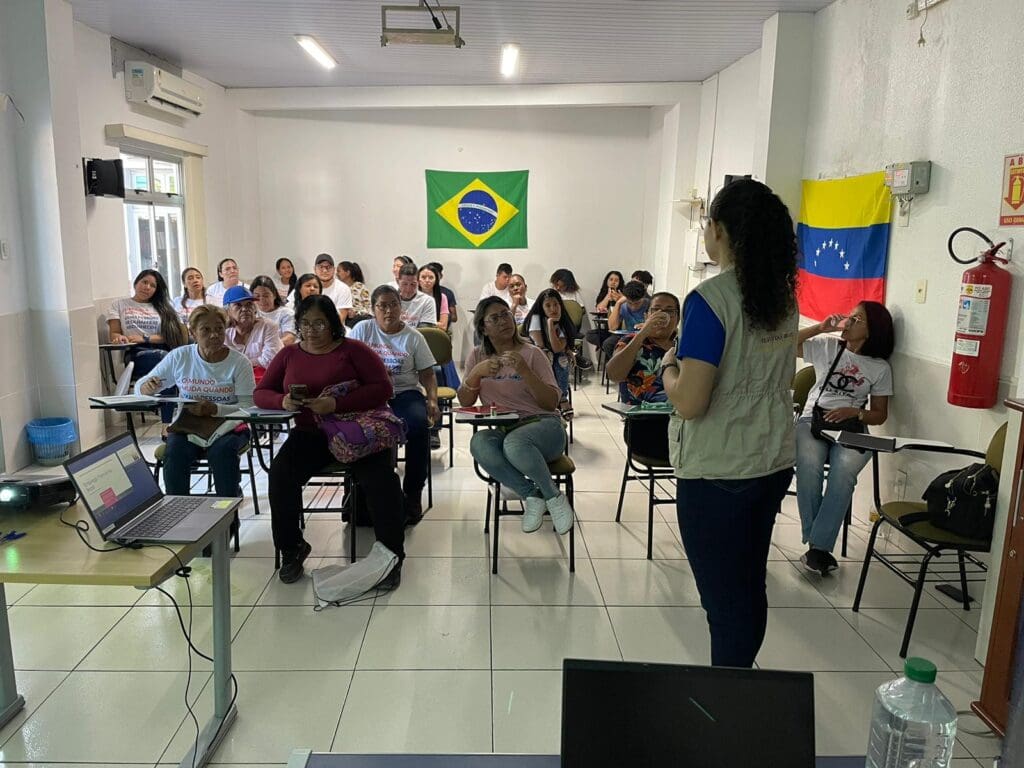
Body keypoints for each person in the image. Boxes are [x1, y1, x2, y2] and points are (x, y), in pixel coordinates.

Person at [660, 178, 799, 668]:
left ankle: (729, 694)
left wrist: (668, 368)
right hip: (772, 459)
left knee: (722, 599)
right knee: (748, 583)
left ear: (716, 229)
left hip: (720, 470)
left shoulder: (710, 300)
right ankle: (738, 680)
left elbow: (691, 403)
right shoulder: (782, 296)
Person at [254, 295, 406, 585]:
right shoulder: (289, 355)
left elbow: (383, 389)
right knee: (281, 475)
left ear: (333, 324)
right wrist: (281, 400)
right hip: (311, 433)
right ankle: (292, 548)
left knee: (380, 481)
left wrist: (336, 405)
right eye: (305, 323)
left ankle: (391, 556)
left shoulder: (354, 350)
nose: (311, 330)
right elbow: (261, 392)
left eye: (319, 323)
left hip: (357, 432)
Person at [459, 297, 575, 535]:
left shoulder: (533, 354)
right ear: (483, 327)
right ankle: (532, 495)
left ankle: (553, 497)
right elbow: (465, 402)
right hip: (504, 429)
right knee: (479, 442)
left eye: (506, 314)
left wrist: (524, 370)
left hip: (545, 428)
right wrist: (475, 376)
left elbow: (551, 402)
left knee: (515, 443)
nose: (504, 321)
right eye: (495, 318)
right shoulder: (478, 356)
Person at [796, 302, 894, 575]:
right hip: (812, 420)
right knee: (809, 465)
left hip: (851, 425)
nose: (849, 322)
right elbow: (787, 345)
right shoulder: (828, 346)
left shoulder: (879, 367)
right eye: (850, 316)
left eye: (857, 319)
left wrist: (855, 411)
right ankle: (819, 546)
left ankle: (817, 546)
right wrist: (819, 327)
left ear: (871, 331)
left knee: (844, 473)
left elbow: (879, 415)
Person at [135, 305, 255, 498]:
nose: (214, 335)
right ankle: (178, 509)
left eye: (219, 329)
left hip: (229, 426)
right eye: (206, 330)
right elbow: (142, 386)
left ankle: (229, 516)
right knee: (174, 453)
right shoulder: (180, 357)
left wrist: (216, 409)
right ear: (193, 332)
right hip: (188, 426)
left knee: (222, 453)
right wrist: (146, 387)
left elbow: (249, 407)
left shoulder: (239, 363)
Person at [349, 285, 439, 523]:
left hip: (404, 393)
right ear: (373, 309)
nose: (389, 311)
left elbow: (428, 374)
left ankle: (412, 492)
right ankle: (362, 493)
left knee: (419, 427)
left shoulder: (413, 337)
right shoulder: (361, 330)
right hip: (369, 395)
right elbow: (346, 364)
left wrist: (432, 400)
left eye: (394, 305)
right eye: (382, 306)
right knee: (360, 429)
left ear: (401, 308)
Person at [604, 292, 680, 461]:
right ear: (647, 315)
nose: (663, 315)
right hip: (644, 426)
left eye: (670, 311)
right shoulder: (630, 341)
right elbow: (614, 374)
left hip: (682, 423)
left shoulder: (683, 346)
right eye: (656, 310)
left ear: (678, 318)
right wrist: (643, 333)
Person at [107, 269, 190, 377]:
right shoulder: (118, 305)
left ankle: (173, 392)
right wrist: (119, 338)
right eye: (144, 282)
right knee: (165, 359)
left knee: (174, 358)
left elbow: (173, 335)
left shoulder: (164, 308)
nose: (147, 287)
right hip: (136, 353)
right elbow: (114, 333)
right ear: (136, 283)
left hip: (163, 348)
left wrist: (145, 338)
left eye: (153, 286)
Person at [522, 289, 575, 410]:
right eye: (548, 305)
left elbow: (557, 348)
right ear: (542, 308)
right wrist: (550, 324)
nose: (553, 309)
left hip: (554, 356)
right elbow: (540, 345)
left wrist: (551, 324)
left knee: (560, 357)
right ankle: (555, 397)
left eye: (556, 304)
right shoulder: (535, 319)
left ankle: (560, 396)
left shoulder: (562, 322)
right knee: (550, 355)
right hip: (535, 355)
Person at [222, 286, 283, 382]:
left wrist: (236, 364)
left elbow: (270, 360)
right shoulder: (223, 332)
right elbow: (220, 362)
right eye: (238, 305)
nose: (245, 309)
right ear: (228, 310)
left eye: (249, 304)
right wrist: (256, 361)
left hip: (265, 381)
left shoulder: (268, 327)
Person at [550, 268, 592, 370]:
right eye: (557, 285)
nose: (558, 288)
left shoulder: (575, 294)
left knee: (570, 327)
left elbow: (581, 310)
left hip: (572, 326)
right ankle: (575, 354)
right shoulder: (551, 293)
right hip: (556, 326)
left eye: (562, 285)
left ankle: (573, 353)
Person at [602, 280, 652, 363]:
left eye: (637, 303)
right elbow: (612, 327)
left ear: (643, 297)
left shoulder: (650, 305)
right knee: (608, 344)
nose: (633, 307)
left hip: (645, 337)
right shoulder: (623, 305)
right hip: (627, 337)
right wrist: (618, 303)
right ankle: (619, 367)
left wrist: (646, 325)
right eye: (629, 303)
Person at [585, 270, 625, 352]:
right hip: (606, 329)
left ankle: (605, 346)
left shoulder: (622, 295)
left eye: (616, 280)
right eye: (611, 279)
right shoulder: (603, 294)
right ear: (607, 281)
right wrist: (608, 296)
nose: (613, 282)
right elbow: (599, 309)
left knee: (608, 342)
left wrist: (619, 299)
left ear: (620, 283)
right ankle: (604, 346)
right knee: (589, 335)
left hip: (618, 329)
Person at [250, 275, 297, 345]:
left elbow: (289, 338)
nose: (262, 300)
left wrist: (269, 348)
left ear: (274, 295)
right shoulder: (251, 313)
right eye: (257, 296)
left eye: (266, 296)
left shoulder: (286, 313)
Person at [313, 254, 353, 324]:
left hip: (334, 331)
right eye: (321, 267)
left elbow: (341, 318)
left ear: (334, 270)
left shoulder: (343, 289)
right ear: (314, 269)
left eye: (328, 267)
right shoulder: (306, 285)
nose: (325, 270)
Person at [396, 263, 436, 327]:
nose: (408, 289)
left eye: (413, 284)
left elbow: (425, 331)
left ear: (418, 282)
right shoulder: (389, 299)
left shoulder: (427, 301)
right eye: (405, 284)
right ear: (398, 281)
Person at [417, 264, 450, 332]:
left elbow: (443, 325)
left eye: (431, 277)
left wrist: (423, 323)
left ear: (436, 280)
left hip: (432, 334)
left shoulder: (442, 297)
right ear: (418, 280)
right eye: (423, 277)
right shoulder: (411, 296)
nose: (427, 280)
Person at [427, 261, 458, 326]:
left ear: (441, 276)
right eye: (429, 276)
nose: (431, 279)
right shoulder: (419, 292)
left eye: (435, 275)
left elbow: (454, 317)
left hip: (441, 329)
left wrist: (444, 316)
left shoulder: (447, 293)